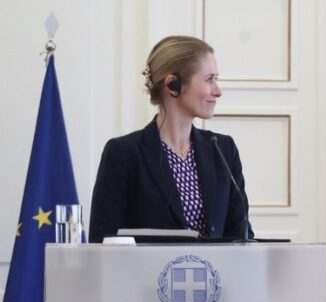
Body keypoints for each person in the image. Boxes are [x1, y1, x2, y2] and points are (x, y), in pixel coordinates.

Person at [89, 35, 252, 242]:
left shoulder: (223, 149)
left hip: (216, 266)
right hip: (147, 265)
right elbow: (103, 240)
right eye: (209, 79)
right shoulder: (123, 153)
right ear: (172, 85)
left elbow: (242, 236)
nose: (217, 91)